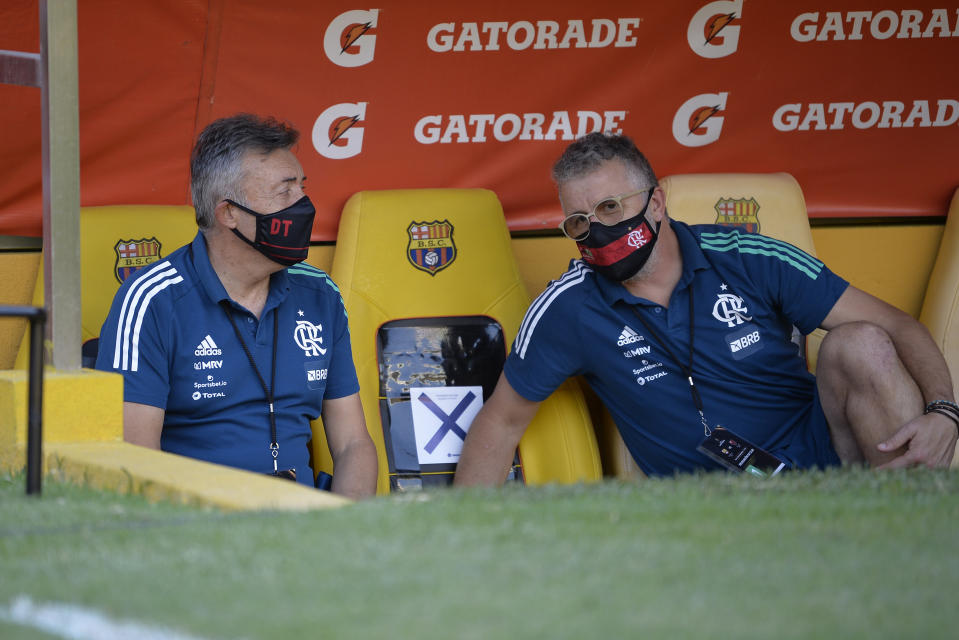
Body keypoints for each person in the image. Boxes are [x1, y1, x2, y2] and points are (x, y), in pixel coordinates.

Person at [454, 132, 958, 485]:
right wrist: (462, 543)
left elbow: (897, 325)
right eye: (579, 222)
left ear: (656, 203)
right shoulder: (567, 307)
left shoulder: (749, 256)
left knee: (863, 341)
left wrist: (945, 412)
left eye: (610, 208)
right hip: (714, 503)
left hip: (833, 459)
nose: (597, 230)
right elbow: (500, 424)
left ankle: (911, 532)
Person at [96, 114, 377, 499]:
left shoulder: (321, 294)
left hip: (307, 528)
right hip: (200, 531)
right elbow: (136, 465)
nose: (304, 205)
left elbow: (353, 446)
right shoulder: (150, 301)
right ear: (228, 213)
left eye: (302, 187)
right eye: (285, 191)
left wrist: (349, 535)